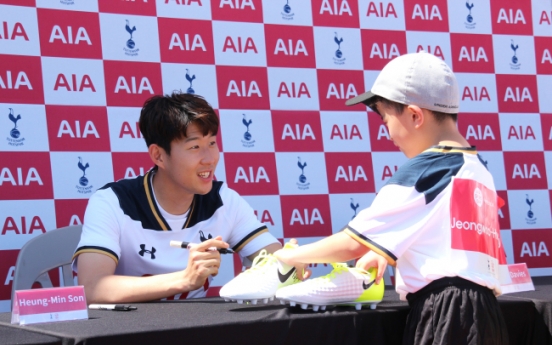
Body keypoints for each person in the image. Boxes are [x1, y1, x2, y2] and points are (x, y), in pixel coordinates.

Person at [274, 51, 509, 344]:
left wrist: (287, 255)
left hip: (445, 315)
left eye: (386, 120)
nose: (388, 134)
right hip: (487, 316)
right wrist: (384, 251)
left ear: (414, 115)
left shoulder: (428, 168)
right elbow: (444, 245)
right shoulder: (476, 168)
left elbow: (350, 244)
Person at [73, 92, 282, 303]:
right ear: (159, 156)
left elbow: (276, 260)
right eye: (195, 147)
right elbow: (92, 287)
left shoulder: (223, 200)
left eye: (212, 143)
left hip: (196, 330)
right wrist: (185, 279)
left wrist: (292, 262)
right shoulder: (112, 202)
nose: (210, 159)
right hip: (127, 331)